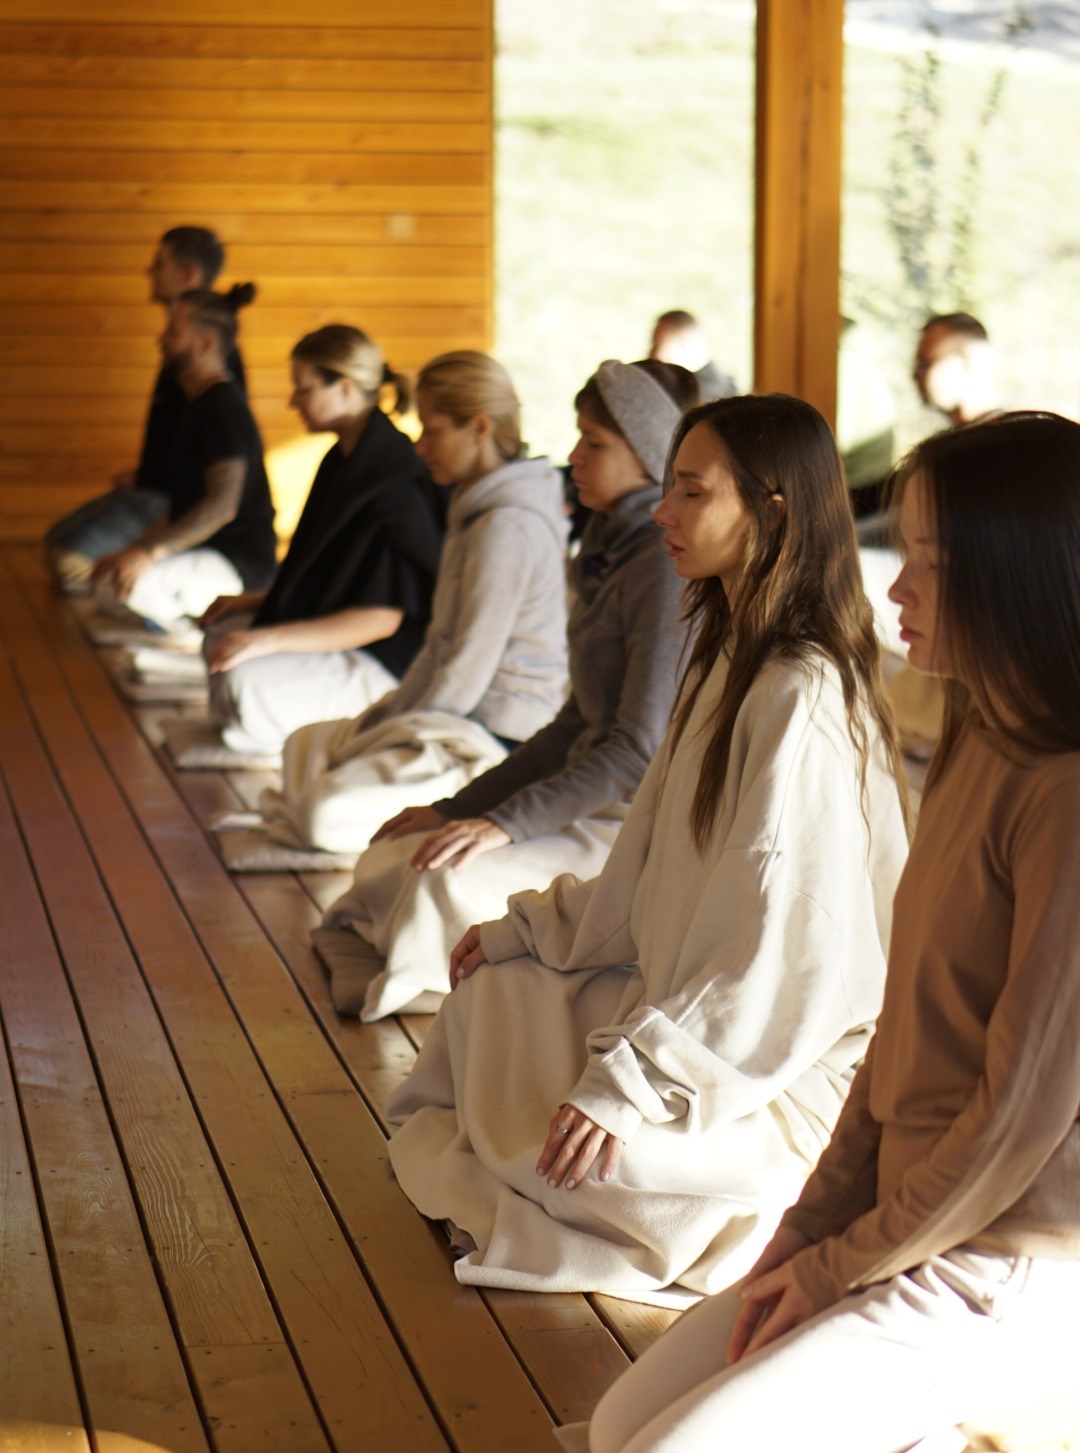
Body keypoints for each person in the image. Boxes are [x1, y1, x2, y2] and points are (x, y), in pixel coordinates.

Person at [586, 410, 1080, 1453]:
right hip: (896, 1214)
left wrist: (839, 1264)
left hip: (1000, 1256)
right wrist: (811, 1224)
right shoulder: (980, 725)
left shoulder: (1066, 792)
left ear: (1023, 573)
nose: (897, 587)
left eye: (934, 562)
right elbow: (903, 1028)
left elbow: (1017, 1119)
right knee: (618, 1422)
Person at [383, 393, 910, 1300]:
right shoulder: (726, 652)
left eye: (692, 492)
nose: (663, 511)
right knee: (491, 995)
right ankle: (548, 1162)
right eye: (668, 486)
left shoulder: (803, 690)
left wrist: (631, 1085)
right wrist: (529, 929)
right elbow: (645, 860)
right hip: (681, 1009)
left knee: (605, 1166)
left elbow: (778, 957)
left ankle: (699, 1186)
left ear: (771, 510)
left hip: (774, 1067)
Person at [314, 358, 696, 1020]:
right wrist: (458, 807)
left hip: (632, 824)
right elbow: (576, 722)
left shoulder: (660, 565)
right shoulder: (606, 545)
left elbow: (635, 751)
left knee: (436, 878)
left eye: (594, 443)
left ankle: (437, 973)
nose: (573, 457)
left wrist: (503, 823)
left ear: (645, 457)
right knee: (398, 852)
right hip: (582, 795)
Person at [248, 350, 570, 859]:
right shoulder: (475, 507)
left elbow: (466, 669)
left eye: (433, 431)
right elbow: (439, 645)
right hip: (453, 719)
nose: (420, 447)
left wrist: (388, 734)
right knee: (304, 745)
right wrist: (385, 719)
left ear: (479, 428)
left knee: (324, 811)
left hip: (492, 737)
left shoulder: (507, 526)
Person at [184, 324, 444, 758]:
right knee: (222, 636)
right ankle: (255, 730)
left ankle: (277, 736)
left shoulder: (393, 481)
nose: (293, 401)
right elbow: (338, 578)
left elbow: (381, 618)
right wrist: (255, 601)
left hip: (385, 661)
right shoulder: (343, 460)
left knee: (244, 678)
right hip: (353, 642)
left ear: (344, 388)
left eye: (303, 389)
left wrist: (269, 640)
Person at [44, 226, 246, 589]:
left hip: (173, 502)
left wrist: (150, 548)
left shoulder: (213, 373)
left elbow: (220, 482)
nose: (149, 271)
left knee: (71, 558)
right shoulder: (183, 352)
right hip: (155, 489)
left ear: (188, 275)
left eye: (159, 264)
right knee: (56, 541)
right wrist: (146, 473)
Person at [91, 286, 276, 634]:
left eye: (173, 333)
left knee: (136, 588)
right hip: (197, 551)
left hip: (237, 563)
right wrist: (132, 551)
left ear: (205, 343)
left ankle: (192, 633)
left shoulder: (223, 407)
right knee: (109, 582)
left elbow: (222, 507)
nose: (161, 339)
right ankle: (177, 623)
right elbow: (182, 509)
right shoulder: (196, 405)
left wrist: (148, 554)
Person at [912, 311, 997, 429]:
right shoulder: (961, 436)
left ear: (966, 364)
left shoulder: (1011, 437)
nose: (915, 376)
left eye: (925, 365)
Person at [649, 309, 737, 402]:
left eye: (656, 345)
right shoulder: (721, 386)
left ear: (683, 344)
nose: (651, 354)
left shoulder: (698, 397)